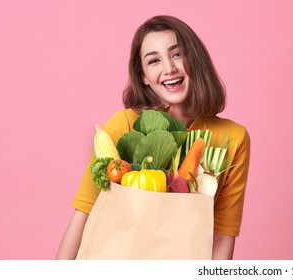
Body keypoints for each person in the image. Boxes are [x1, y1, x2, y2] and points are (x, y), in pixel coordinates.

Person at [56, 15, 250, 260]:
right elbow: (84, 213)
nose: (169, 68)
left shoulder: (233, 137)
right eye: (154, 60)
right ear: (144, 76)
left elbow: (223, 234)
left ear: (195, 59)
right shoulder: (124, 124)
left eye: (177, 54)